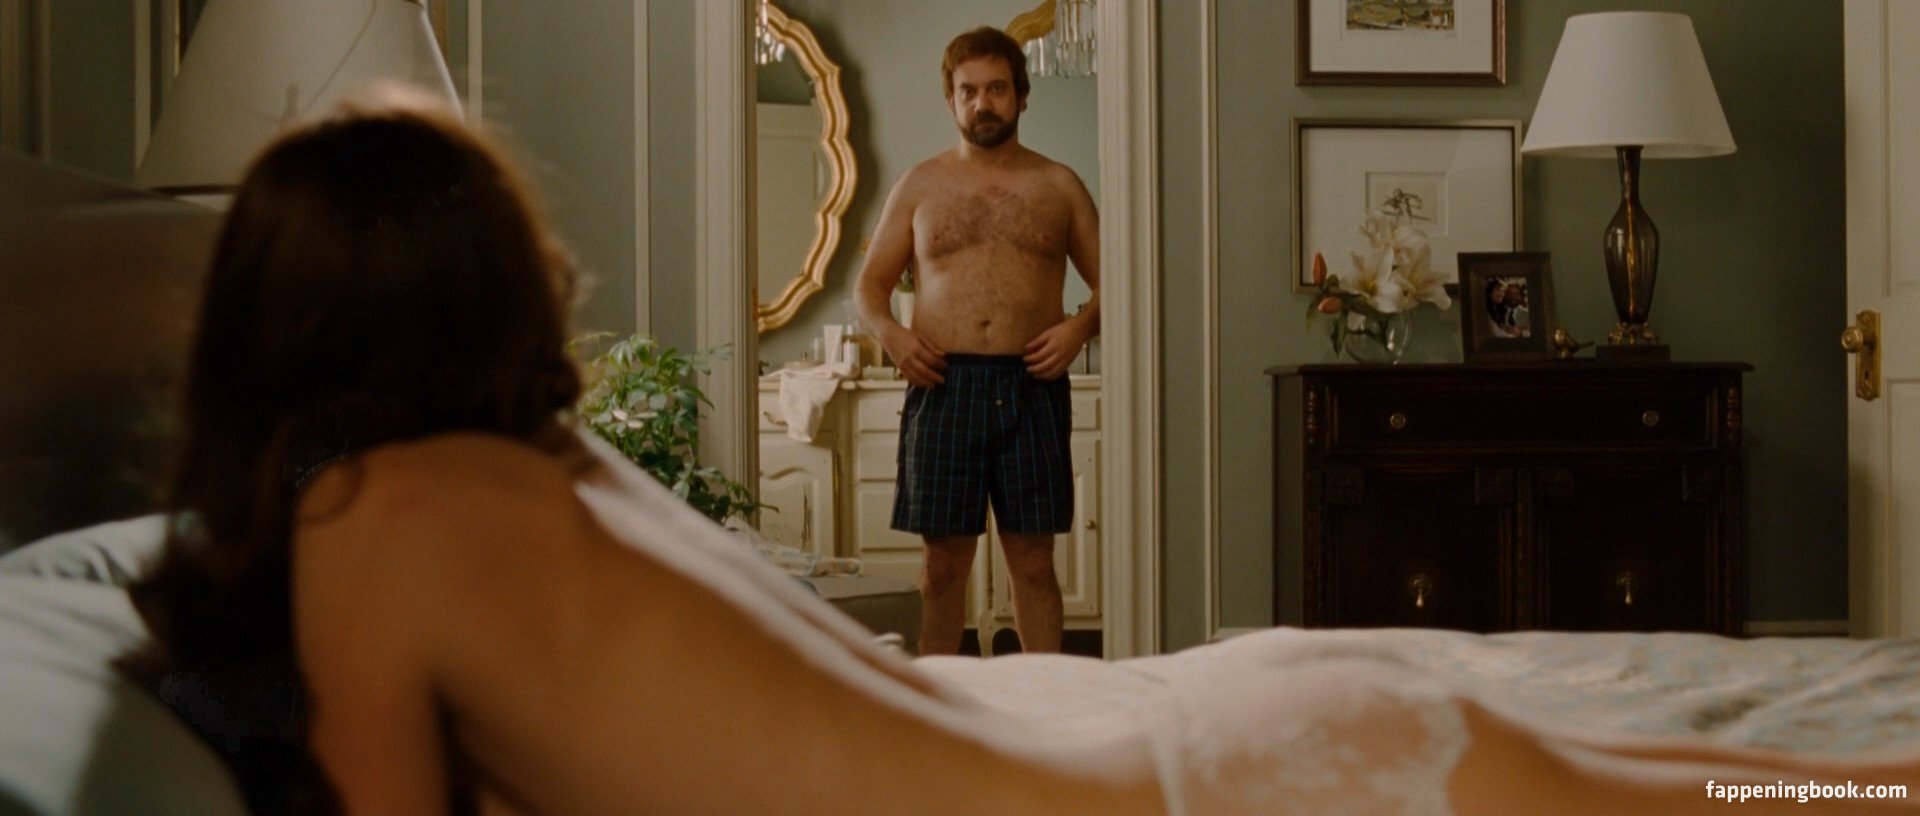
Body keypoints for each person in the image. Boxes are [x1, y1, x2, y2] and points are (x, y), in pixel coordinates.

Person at [124, 90, 1920, 816]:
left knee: (1800, 803)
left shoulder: (369, 518)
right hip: (1232, 719)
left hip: (1219, 768)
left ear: (270, 310)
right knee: (1791, 789)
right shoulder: (555, 470)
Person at [853, 26, 1099, 656]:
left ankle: (1044, 699)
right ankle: (938, 700)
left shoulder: (1059, 186)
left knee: (1034, 564)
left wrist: (1078, 328)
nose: (982, 103)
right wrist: (893, 337)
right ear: (951, 100)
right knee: (941, 567)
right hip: (942, 385)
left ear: (1021, 96)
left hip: (1032, 386)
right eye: (968, 91)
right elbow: (869, 289)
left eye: (996, 89)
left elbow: (1121, 283)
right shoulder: (919, 186)